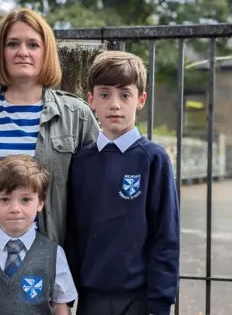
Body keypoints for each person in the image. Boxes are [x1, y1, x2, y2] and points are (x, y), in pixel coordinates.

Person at [0, 8, 99, 294]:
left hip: (47, 262)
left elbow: (96, 191)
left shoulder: (78, 115)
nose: (22, 51)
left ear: (46, 52)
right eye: (13, 43)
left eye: (33, 44)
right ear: (1, 51)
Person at [66, 50, 180, 315]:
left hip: (139, 299)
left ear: (140, 100)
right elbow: (73, 232)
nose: (115, 104)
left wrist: (161, 300)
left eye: (125, 95)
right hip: (90, 295)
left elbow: (166, 234)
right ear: (91, 100)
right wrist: (66, 293)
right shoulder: (81, 161)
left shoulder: (153, 159)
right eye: (105, 95)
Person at [0, 154, 77, 315]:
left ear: (40, 203)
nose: (15, 208)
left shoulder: (54, 254)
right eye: (5, 200)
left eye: (25, 200)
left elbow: (61, 307)